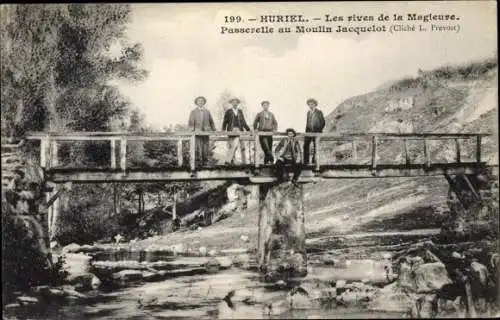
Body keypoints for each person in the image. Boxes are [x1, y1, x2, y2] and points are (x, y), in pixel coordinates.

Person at [188, 96, 216, 167]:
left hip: (206, 132)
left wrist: (213, 129)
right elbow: (191, 122)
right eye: (199, 101)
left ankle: (205, 163)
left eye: (202, 101)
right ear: (196, 103)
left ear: (204, 102)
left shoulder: (207, 111)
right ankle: (199, 163)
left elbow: (211, 121)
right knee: (198, 148)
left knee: (205, 148)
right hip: (197, 132)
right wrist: (191, 130)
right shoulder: (193, 112)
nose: (200, 102)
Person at [222, 98, 251, 164]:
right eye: (233, 102)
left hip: (238, 129)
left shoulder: (240, 111)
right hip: (231, 130)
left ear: (238, 103)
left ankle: (227, 160)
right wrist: (223, 130)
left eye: (236, 102)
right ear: (231, 103)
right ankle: (232, 160)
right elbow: (225, 121)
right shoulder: (228, 111)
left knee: (235, 145)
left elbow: (243, 121)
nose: (235, 104)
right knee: (232, 146)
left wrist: (248, 129)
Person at [253, 100, 278, 165]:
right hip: (262, 133)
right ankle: (272, 160)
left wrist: (275, 129)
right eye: (264, 105)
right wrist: (255, 129)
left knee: (269, 148)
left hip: (269, 133)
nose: (265, 106)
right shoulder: (259, 114)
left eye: (267, 105)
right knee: (266, 148)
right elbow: (255, 122)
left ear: (268, 106)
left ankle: (266, 163)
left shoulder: (271, 114)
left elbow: (275, 123)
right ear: (262, 106)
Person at [304, 98, 325, 165]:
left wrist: (318, 131)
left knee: (316, 146)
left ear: (315, 104)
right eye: (309, 104)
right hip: (309, 132)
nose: (311, 105)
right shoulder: (308, 113)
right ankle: (306, 161)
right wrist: (306, 132)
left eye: (312, 104)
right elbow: (307, 123)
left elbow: (323, 122)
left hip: (316, 132)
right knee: (305, 145)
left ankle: (314, 160)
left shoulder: (319, 112)